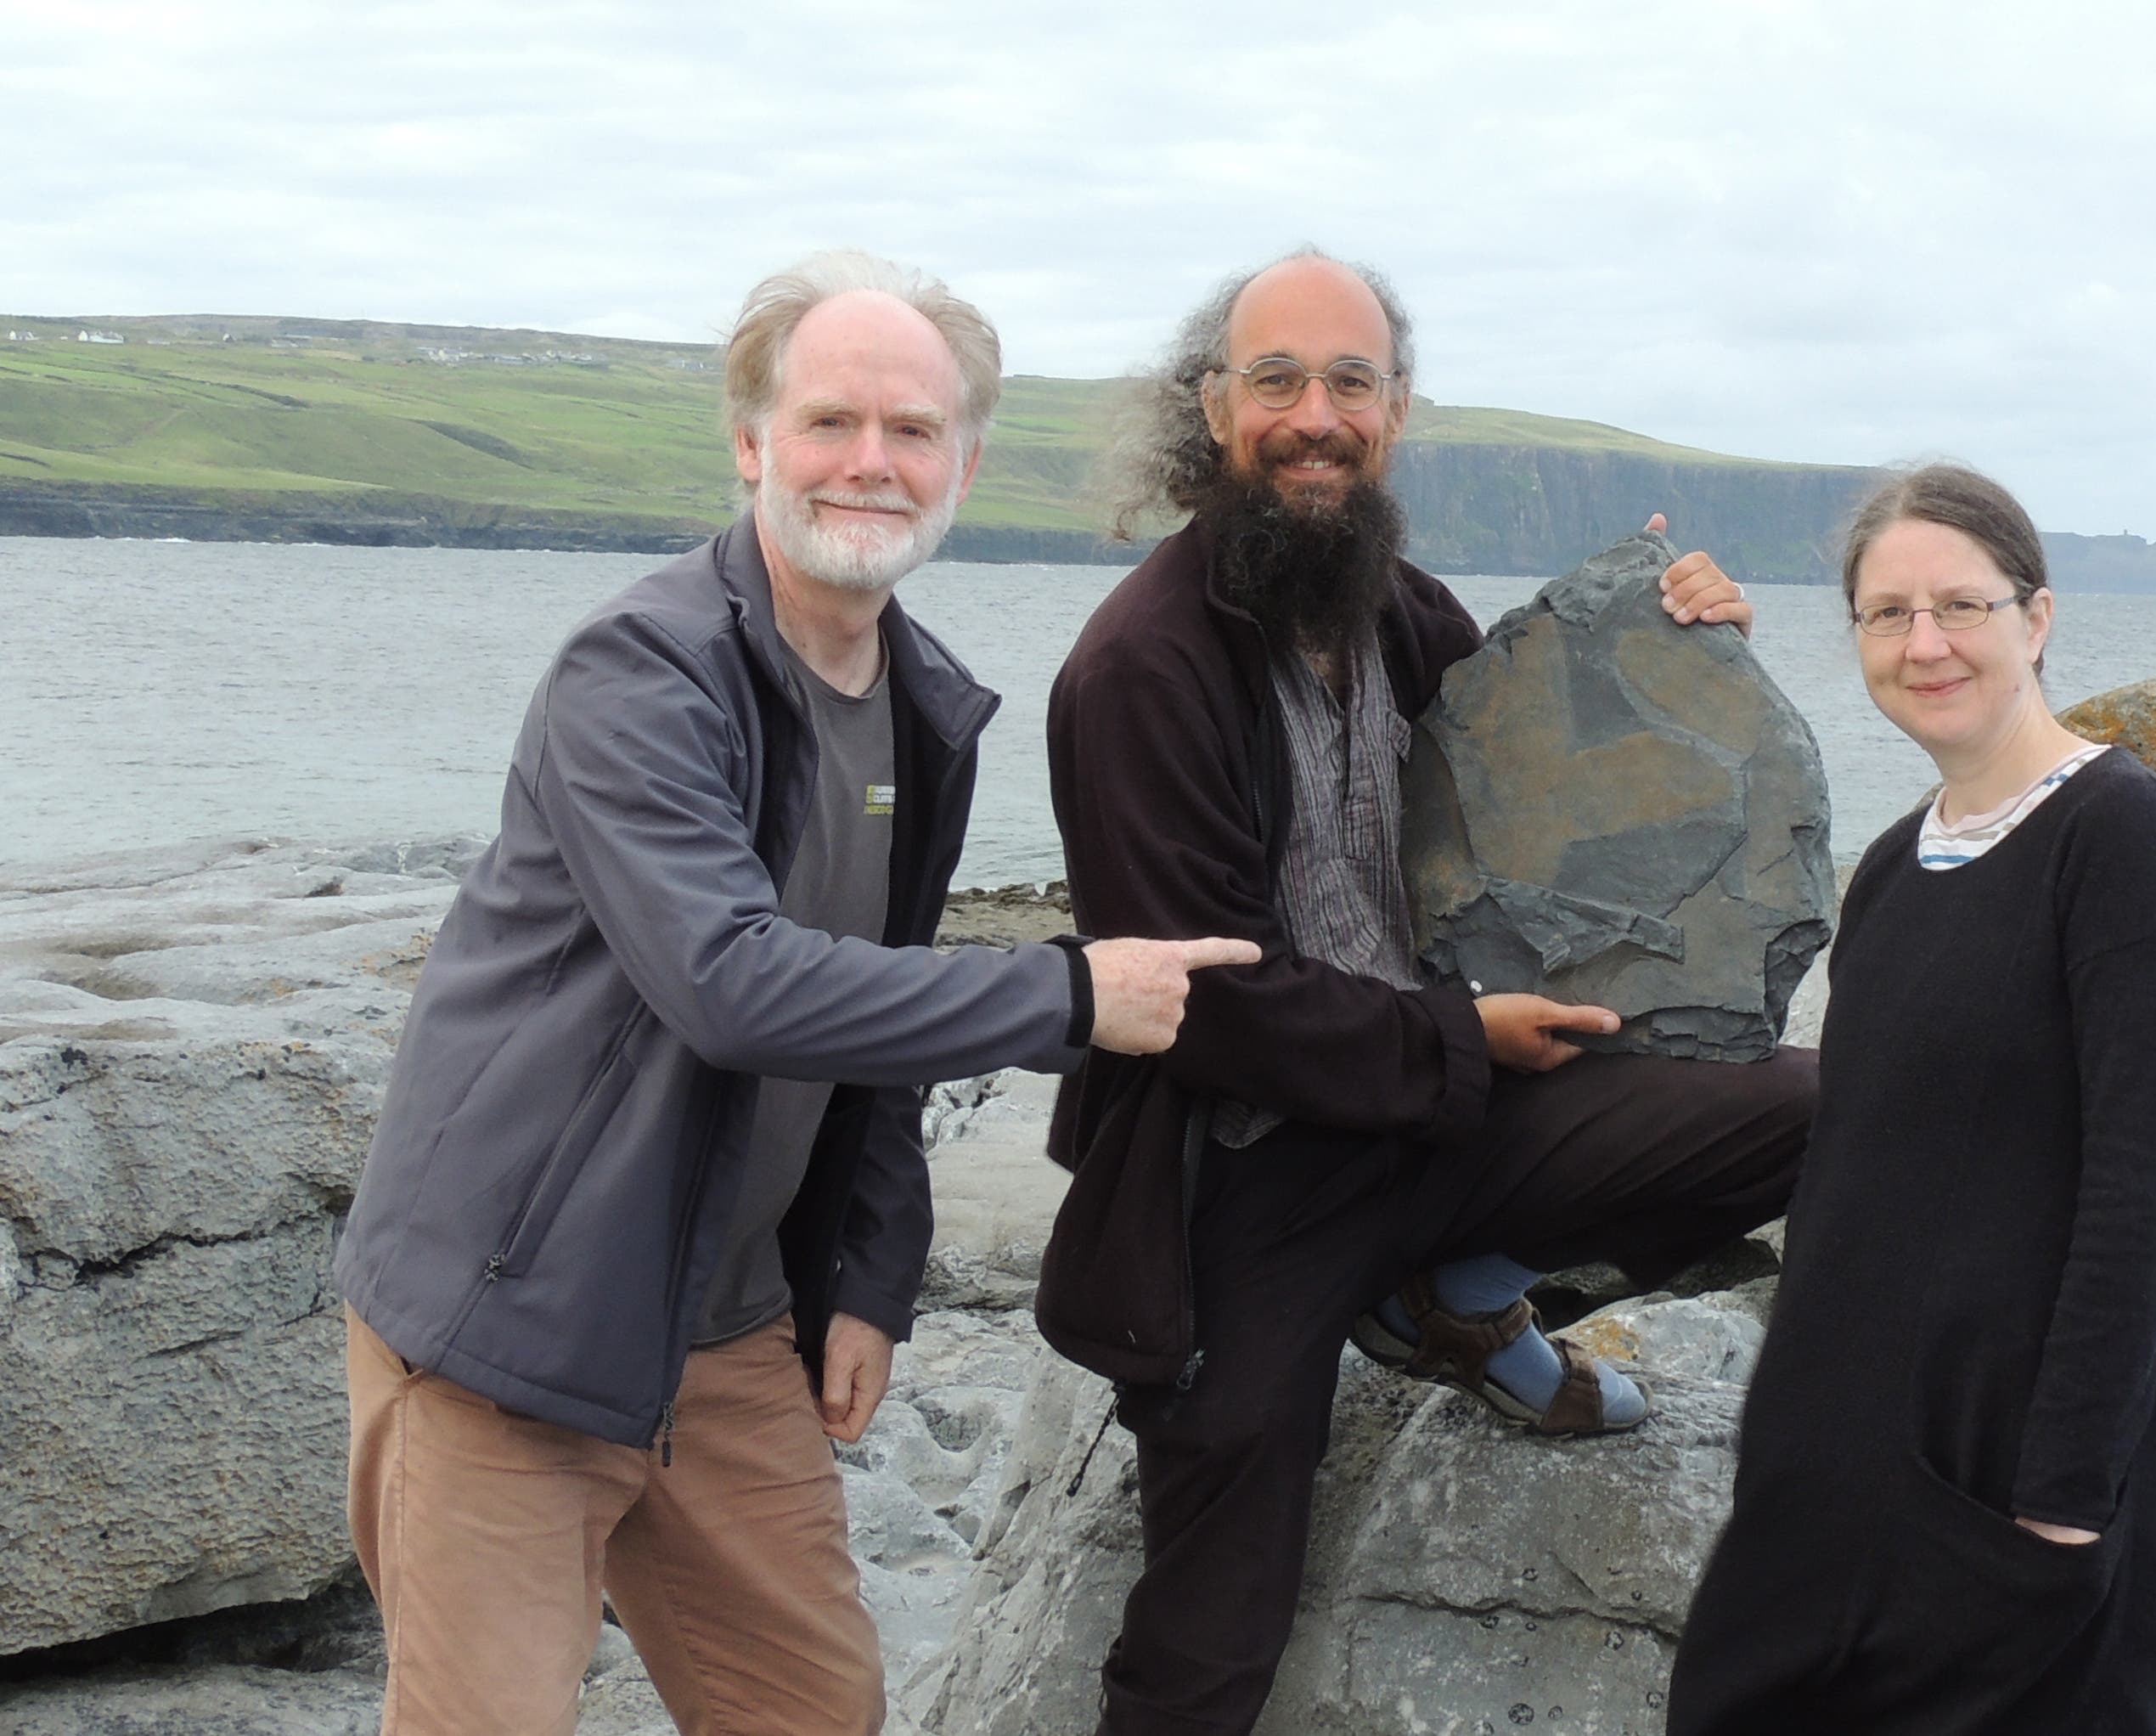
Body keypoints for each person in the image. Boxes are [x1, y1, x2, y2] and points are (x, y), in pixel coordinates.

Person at [332, 250, 1256, 1736]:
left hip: (724, 1326)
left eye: (912, 432)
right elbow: (733, 989)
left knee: (813, 1710)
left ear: (962, 461)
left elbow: (871, 1016)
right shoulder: (640, 672)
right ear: (752, 444)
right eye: (831, 422)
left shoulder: (919, 706)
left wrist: (871, 1276)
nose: (871, 464)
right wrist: (1068, 994)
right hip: (513, 1324)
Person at [1037, 248, 1819, 1735]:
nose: (1314, 415)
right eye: (1275, 379)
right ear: (1210, 409)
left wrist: (1683, 637)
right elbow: (1202, 1003)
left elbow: (1550, 783)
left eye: (1351, 381)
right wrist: (1458, 1036)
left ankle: (1451, 1295)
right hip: (1245, 1181)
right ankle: (1410, 1293)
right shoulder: (1140, 663)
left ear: (1396, 410)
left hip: (1441, 1120)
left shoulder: (1397, 610)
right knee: (1214, 1624)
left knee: (1802, 1109)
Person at [1668, 464, 2156, 1734]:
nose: (1923, 644)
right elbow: (1860, 1174)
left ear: (2034, 620)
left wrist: (2063, 1502)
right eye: (1887, 615)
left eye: (1960, 607)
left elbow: (2146, 1195)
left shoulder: (2123, 840)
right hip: (1870, 1453)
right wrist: (1790, 1452)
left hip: (2050, 1466)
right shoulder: (1890, 865)